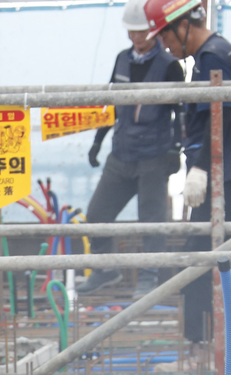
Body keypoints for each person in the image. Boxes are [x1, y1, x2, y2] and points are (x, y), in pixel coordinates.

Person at [146, 0, 231, 342]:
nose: (163, 45)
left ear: (183, 26)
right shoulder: (216, 53)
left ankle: (200, 345)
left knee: (206, 258)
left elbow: (219, 117)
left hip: (230, 177)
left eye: (164, 35)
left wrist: (200, 169)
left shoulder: (214, 57)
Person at [74, 0, 184, 299]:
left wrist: (176, 149)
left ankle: (150, 276)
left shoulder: (170, 65)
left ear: (155, 31)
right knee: (97, 215)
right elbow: (110, 102)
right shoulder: (122, 60)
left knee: (152, 220)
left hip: (154, 155)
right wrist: (98, 141)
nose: (137, 37)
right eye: (133, 32)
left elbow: (181, 111)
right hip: (121, 153)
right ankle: (104, 268)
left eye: (142, 32)